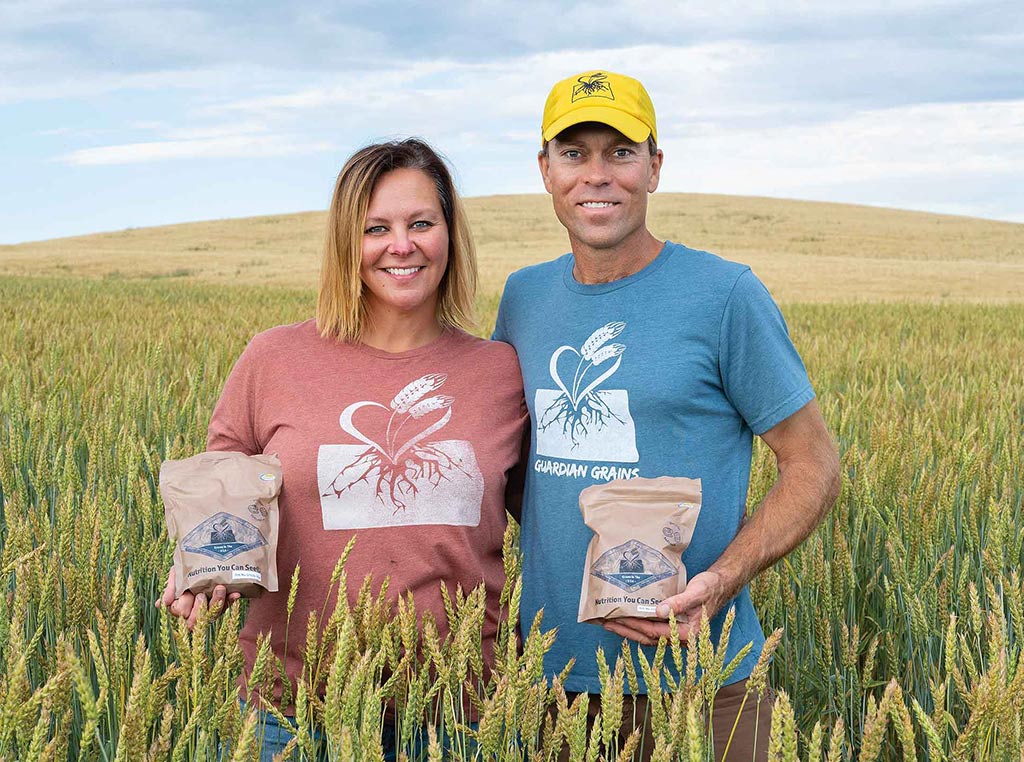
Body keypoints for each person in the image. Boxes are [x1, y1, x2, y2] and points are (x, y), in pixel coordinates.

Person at [492, 70, 841, 760]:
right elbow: (510, 460)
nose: (597, 175)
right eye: (574, 153)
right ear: (545, 171)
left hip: (705, 683)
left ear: (655, 167)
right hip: (554, 686)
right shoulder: (523, 298)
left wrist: (723, 579)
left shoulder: (724, 295)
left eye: (621, 153)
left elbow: (814, 464)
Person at [157, 138, 528, 761]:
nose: (400, 245)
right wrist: (197, 569)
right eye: (374, 228)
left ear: (449, 234)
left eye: (420, 223)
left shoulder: (499, 371)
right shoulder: (273, 359)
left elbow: (552, 519)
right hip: (295, 714)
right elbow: (221, 497)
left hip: (460, 716)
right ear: (344, 244)